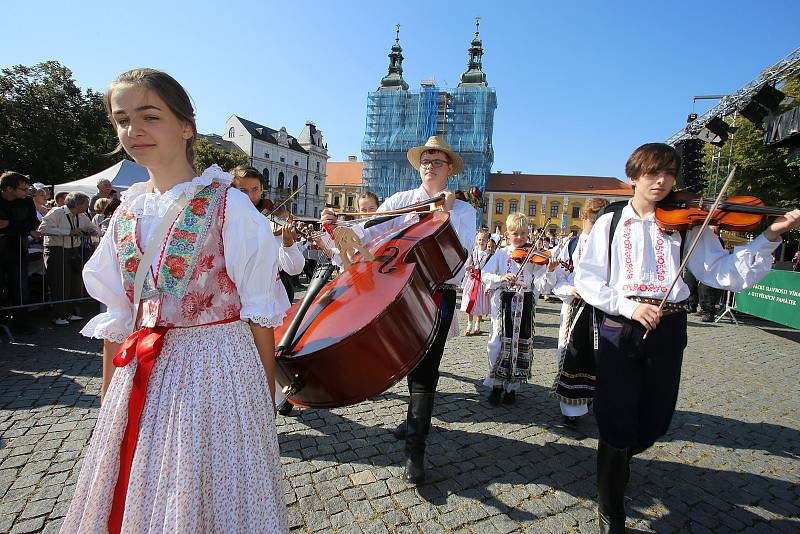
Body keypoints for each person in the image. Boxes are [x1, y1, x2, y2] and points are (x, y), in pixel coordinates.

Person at [60, 68, 288, 533]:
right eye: (121, 120)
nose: (133, 130)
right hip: (140, 373)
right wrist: (110, 398)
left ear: (186, 126)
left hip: (217, 369)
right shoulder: (126, 212)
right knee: (140, 486)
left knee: (208, 490)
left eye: (149, 116)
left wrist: (264, 394)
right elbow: (118, 317)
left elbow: (260, 310)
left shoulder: (229, 204)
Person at [574, 143, 800, 534]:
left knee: (657, 419)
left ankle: (621, 457)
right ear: (633, 177)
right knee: (614, 417)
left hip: (670, 325)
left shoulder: (687, 224)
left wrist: (769, 237)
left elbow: (720, 271)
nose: (662, 181)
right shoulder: (610, 222)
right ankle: (611, 510)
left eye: (669, 173)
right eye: (653, 173)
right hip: (621, 326)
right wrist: (629, 307)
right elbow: (587, 278)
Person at [321, 135, 476, 484]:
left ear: (450, 169)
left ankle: (414, 451)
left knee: (425, 373)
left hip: (435, 293)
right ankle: (411, 422)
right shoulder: (401, 201)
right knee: (404, 360)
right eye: (425, 160)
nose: (429, 165)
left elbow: (462, 255)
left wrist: (445, 216)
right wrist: (337, 229)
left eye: (437, 161)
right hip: (394, 293)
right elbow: (368, 232)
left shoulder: (464, 211)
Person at [481, 212, 559, 406]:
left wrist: (548, 270)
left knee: (520, 344)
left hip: (524, 301)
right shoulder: (500, 254)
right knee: (497, 343)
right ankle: (496, 385)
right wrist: (500, 278)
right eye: (515, 234)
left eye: (524, 234)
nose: (520, 238)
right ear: (507, 233)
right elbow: (485, 274)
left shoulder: (533, 255)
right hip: (503, 302)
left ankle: (512, 387)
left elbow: (541, 284)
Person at [550, 198, 609, 425]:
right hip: (575, 307)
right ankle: (571, 408)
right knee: (570, 354)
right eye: (594, 221)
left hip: (601, 308)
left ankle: (593, 398)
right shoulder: (572, 245)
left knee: (599, 354)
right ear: (584, 217)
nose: (597, 228)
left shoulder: (609, 246)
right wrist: (571, 289)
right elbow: (557, 280)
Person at [38, 192, 99, 325]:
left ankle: (70, 312)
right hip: (56, 249)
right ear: (77, 204)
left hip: (74, 250)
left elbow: (92, 227)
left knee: (74, 281)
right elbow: (42, 228)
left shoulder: (82, 216)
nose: (88, 206)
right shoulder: (57, 212)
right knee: (60, 282)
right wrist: (67, 233)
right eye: (86, 203)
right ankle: (58, 315)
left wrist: (95, 232)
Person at [0, 171, 41, 334]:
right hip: (4, 246)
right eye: (22, 189)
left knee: (20, 286)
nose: (26, 192)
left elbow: (33, 224)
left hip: (17, 248)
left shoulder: (27, 203)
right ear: (9, 189)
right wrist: (23, 229)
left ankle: (21, 322)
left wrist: (10, 226)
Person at [461, 229, 492, 336]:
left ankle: (478, 324)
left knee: (480, 303)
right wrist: (470, 268)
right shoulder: (473, 252)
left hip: (482, 281)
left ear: (487, 241)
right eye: (479, 239)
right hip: (473, 280)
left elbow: (490, 268)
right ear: (476, 240)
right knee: (470, 301)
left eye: (483, 240)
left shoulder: (489, 254)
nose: (481, 242)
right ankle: (469, 325)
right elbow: (467, 266)